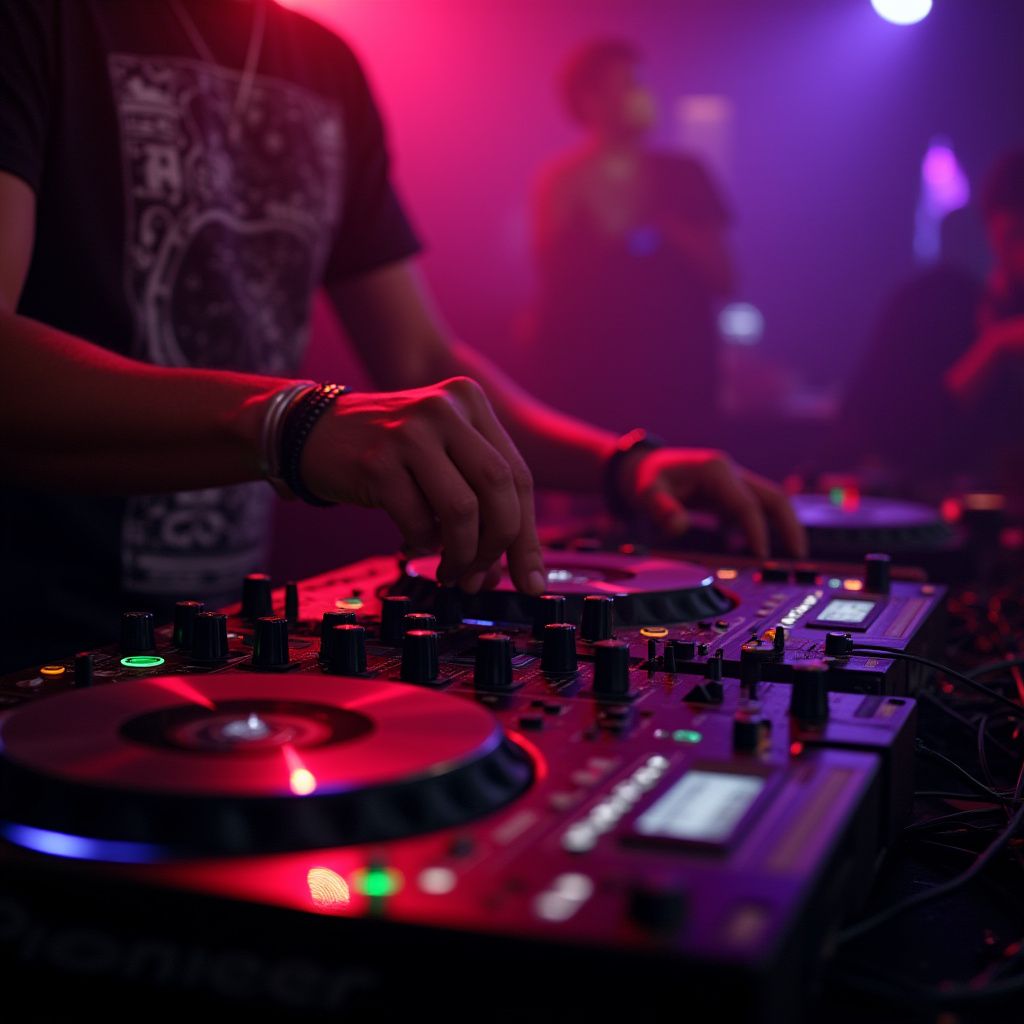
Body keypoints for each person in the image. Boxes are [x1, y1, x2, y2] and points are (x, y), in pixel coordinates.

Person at [0, 1, 804, 674]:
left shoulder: (324, 67)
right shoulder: (37, 20)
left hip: (220, 632)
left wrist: (625, 464)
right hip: (34, 630)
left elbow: (421, 360)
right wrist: (293, 422)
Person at [528, 38, 734, 441]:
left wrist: (672, 230)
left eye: (641, 83)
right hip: (590, 390)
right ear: (589, 100)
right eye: (627, 84)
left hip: (676, 386)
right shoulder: (558, 184)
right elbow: (552, 295)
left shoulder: (684, 175)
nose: (642, 96)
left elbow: (725, 277)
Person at [821, 151, 1024, 492]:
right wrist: (994, 347)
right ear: (1003, 232)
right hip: (903, 516)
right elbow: (896, 439)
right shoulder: (931, 305)